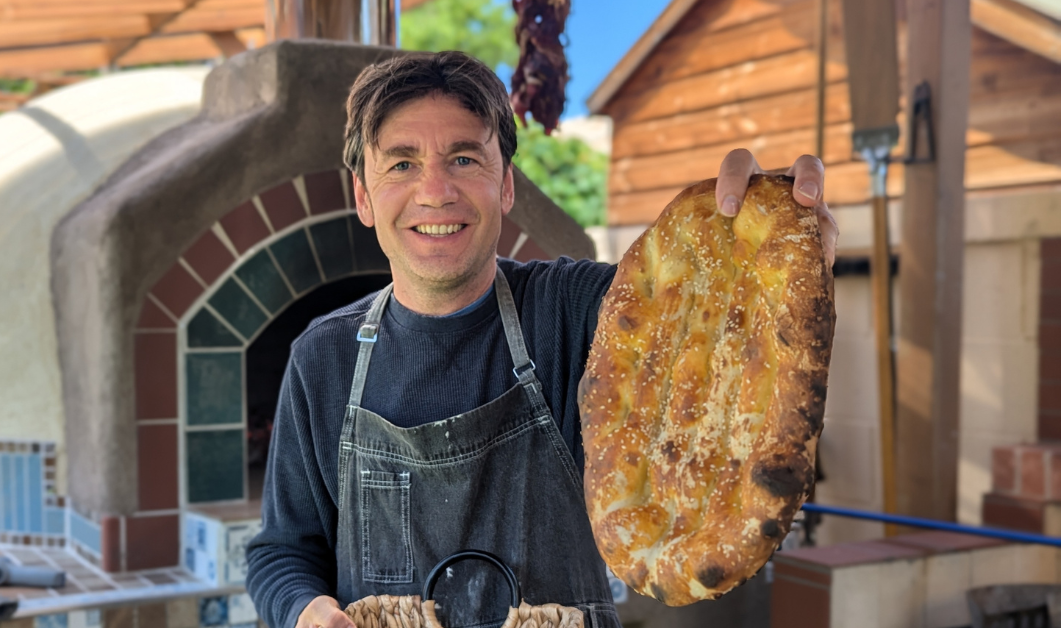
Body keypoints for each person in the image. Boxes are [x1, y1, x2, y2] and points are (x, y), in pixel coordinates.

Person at [246, 50, 838, 628]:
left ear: (506, 184)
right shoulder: (322, 358)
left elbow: (711, 329)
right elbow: (280, 552)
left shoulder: (578, 311)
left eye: (464, 159)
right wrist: (304, 610)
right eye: (401, 164)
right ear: (363, 197)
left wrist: (782, 248)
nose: (435, 191)